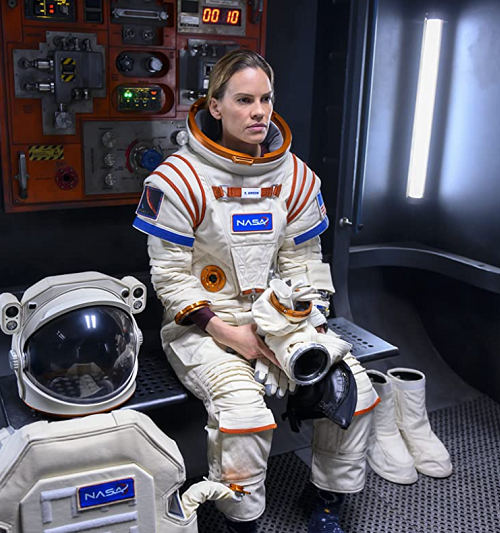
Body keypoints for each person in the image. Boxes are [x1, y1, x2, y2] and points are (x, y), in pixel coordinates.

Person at [132, 49, 379, 533]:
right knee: (243, 415)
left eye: (266, 99)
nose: (259, 112)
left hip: (280, 317)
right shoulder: (179, 180)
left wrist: (310, 321)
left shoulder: (295, 178)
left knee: (355, 388)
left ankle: (326, 498)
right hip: (206, 324)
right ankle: (241, 520)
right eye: (244, 100)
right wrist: (231, 335)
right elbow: (171, 278)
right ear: (216, 106)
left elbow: (304, 262)